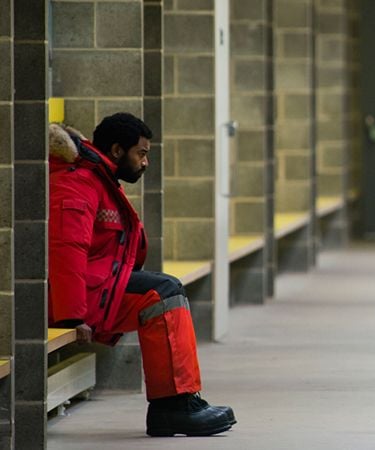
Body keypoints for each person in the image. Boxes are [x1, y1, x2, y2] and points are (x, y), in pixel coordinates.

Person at [48, 112, 236, 437]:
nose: (145, 163)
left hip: (95, 288)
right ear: (118, 150)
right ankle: (174, 407)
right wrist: (70, 316)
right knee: (162, 293)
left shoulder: (99, 179)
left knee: (165, 291)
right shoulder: (78, 182)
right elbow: (67, 249)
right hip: (75, 300)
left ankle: (179, 403)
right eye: (142, 153)